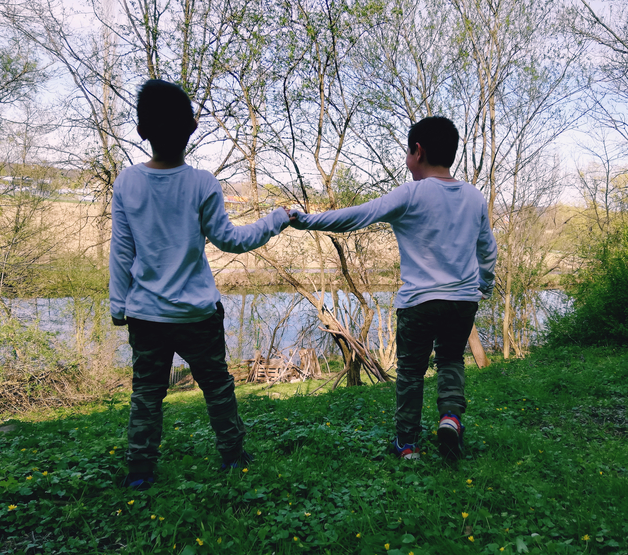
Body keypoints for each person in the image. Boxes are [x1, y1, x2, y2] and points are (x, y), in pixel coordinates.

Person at [110, 79, 290, 489]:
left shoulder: (127, 182)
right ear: (192, 128)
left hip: (145, 315)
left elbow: (121, 251)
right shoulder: (203, 183)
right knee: (217, 387)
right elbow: (231, 240)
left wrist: (118, 306)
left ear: (141, 130)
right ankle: (233, 458)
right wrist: (275, 220)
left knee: (146, 394)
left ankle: (140, 472)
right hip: (198, 314)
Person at [289, 116, 497, 461]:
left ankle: (408, 444)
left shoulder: (411, 193)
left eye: (408, 152)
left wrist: (305, 221)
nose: (407, 160)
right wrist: (484, 285)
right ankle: (449, 418)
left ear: (418, 151)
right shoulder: (474, 197)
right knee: (450, 360)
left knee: (411, 372)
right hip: (462, 301)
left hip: (419, 303)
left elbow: (356, 216)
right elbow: (487, 249)